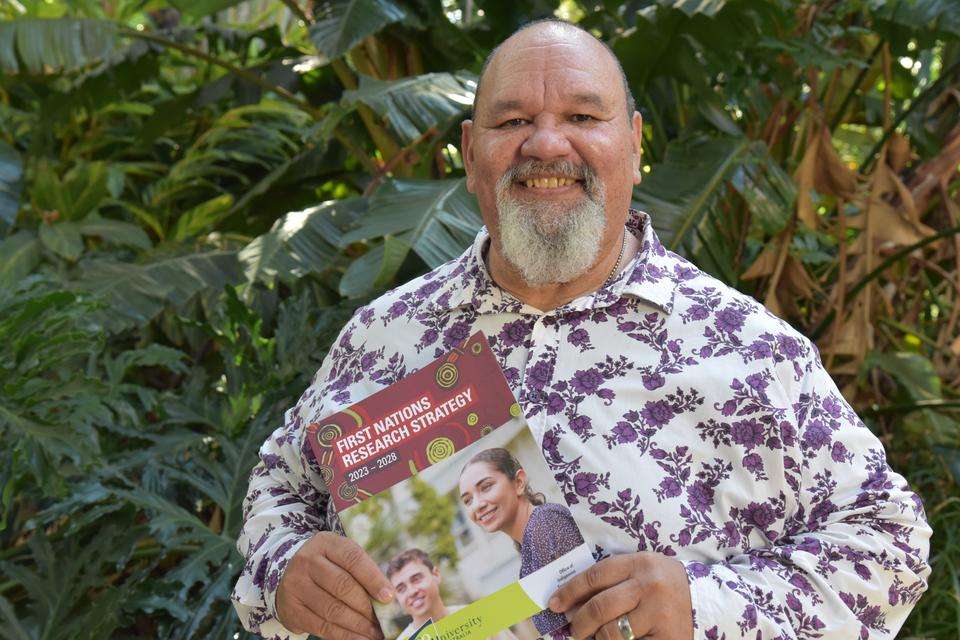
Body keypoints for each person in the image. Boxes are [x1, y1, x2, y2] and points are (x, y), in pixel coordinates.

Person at [231, 18, 931, 640]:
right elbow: (279, 488)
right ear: (472, 154)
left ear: (632, 144)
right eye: (511, 123)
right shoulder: (381, 336)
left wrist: (704, 608)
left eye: (583, 116)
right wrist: (283, 571)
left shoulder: (748, 349)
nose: (545, 143)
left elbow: (889, 544)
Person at [459, 448, 585, 637]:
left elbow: (579, 615)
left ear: (518, 482)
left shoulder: (544, 522)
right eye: (468, 500)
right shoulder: (530, 542)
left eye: (486, 487)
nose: (477, 505)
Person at [386, 548, 519, 640]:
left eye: (416, 579)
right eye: (401, 589)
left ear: (436, 575)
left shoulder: (477, 618)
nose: (412, 591)